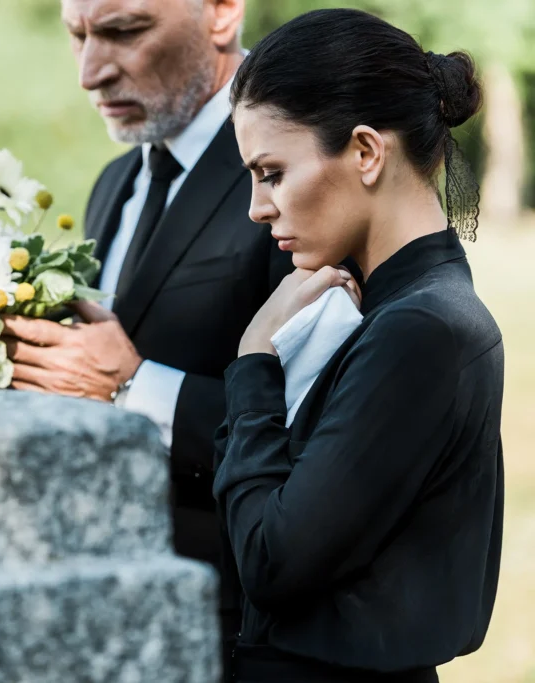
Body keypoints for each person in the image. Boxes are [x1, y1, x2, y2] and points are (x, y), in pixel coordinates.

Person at [213, 8, 504, 682]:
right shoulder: (386, 307)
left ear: (367, 152)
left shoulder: (425, 329)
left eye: (273, 172)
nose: (258, 207)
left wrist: (255, 357)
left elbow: (271, 561)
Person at [0, 0, 292, 648]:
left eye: (124, 31)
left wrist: (131, 386)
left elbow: (324, 428)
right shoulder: (117, 181)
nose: (90, 71)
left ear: (221, 13)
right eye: (76, 36)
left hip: (248, 629)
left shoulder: (294, 167)